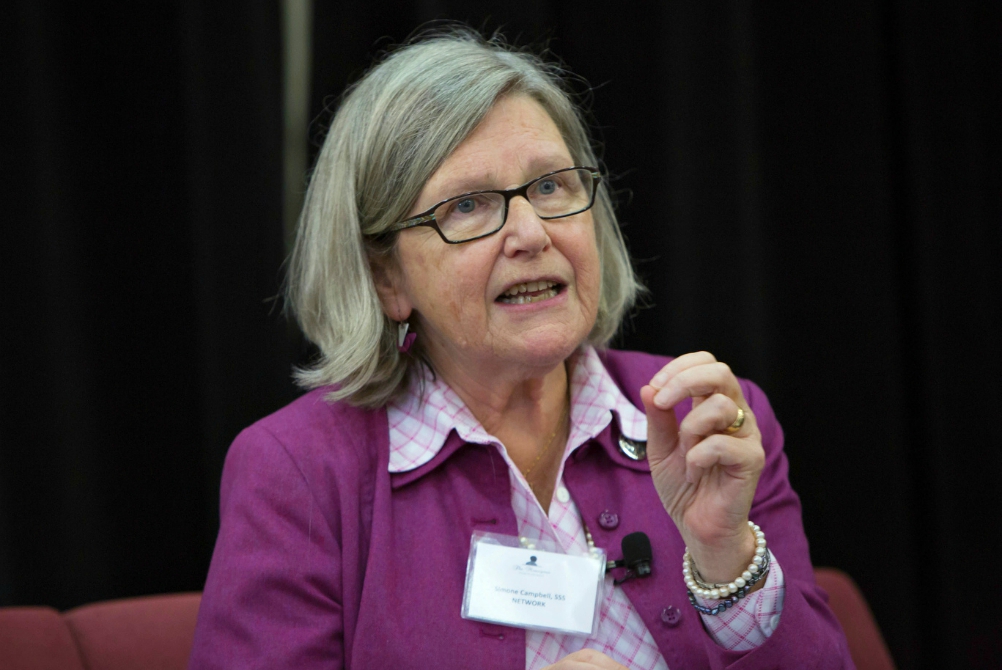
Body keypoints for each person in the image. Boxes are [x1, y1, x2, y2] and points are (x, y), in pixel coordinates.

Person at [189, 28, 853, 670]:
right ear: (386, 277)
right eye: (470, 206)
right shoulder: (300, 473)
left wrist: (726, 556)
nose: (531, 232)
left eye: (550, 186)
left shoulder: (705, 420)